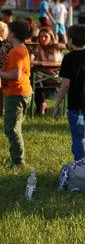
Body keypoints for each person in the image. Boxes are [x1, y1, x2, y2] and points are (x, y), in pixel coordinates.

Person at [53, 25, 85, 173]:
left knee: (78, 137)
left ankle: (82, 169)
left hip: (76, 104)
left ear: (70, 40)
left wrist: (57, 104)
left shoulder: (69, 58)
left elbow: (65, 84)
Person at [0, 21, 33, 167]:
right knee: (14, 127)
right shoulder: (20, 49)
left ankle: (18, 161)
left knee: (11, 129)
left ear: (13, 34)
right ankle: (15, 157)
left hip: (16, 93)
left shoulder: (16, 51)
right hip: (22, 92)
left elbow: (15, 75)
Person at [31, 27, 65, 115]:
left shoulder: (57, 47)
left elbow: (68, 47)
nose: (43, 39)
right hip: (45, 76)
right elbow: (37, 63)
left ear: (51, 37)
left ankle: (42, 105)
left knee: (34, 77)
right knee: (32, 75)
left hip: (58, 76)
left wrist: (60, 45)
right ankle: (41, 103)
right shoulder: (39, 49)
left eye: (46, 36)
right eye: (40, 37)